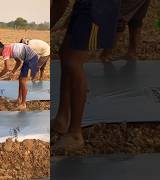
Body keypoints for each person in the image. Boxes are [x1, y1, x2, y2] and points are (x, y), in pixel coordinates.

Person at [51, 0, 121, 151]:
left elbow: (60, 3)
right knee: (65, 53)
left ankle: (75, 134)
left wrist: (47, 28)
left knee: (73, 61)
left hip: (97, 9)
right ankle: (62, 118)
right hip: (85, 6)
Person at [0, 41, 38, 111]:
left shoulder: (5, 51)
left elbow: (6, 68)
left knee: (23, 80)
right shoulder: (9, 48)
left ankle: (23, 104)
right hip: (29, 58)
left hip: (30, 58)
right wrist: (13, 72)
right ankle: (19, 99)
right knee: (20, 79)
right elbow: (19, 62)